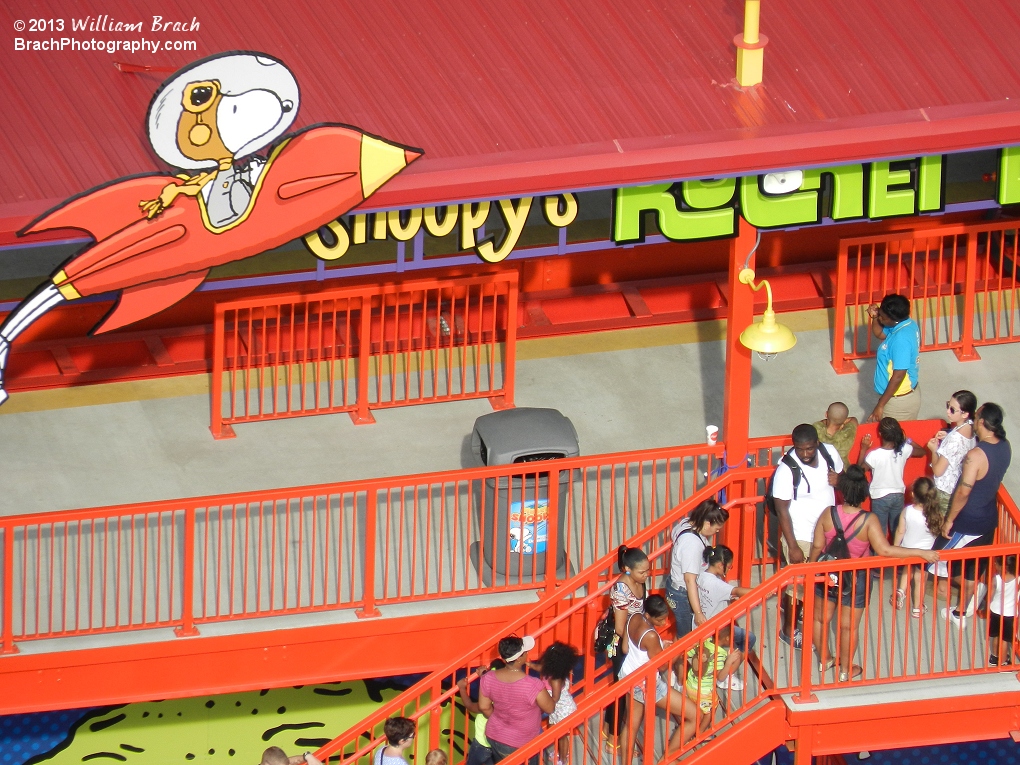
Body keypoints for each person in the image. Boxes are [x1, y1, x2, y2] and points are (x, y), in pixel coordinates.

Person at [809, 466, 939, 682]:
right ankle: (845, 670)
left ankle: (825, 660)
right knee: (848, 626)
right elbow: (885, 551)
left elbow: (817, 546)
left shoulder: (827, 513)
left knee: (821, 619)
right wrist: (920, 553)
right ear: (863, 493)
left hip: (826, 573)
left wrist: (810, 570)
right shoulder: (868, 520)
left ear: (842, 490)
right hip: (856, 576)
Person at [938, 403, 1012, 628]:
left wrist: (949, 519)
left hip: (968, 520)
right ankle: (961, 611)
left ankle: (965, 602)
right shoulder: (1005, 446)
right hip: (988, 518)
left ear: (981, 421)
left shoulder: (976, 454)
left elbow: (963, 491)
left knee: (935, 560)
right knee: (971, 567)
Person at [772, 423, 844, 648]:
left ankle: (800, 612)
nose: (804, 454)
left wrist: (839, 481)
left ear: (817, 444)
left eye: (809, 449)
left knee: (819, 581)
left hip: (827, 533)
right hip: (801, 535)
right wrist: (792, 545)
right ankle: (788, 629)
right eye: (800, 449)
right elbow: (782, 510)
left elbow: (845, 476)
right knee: (798, 585)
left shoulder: (829, 453)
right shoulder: (786, 470)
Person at [619, 595, 685, 765]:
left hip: (628, 674)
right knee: (694, 715)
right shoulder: (651, 636)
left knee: (631, 726)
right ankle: (666, 760)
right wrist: (677, 649)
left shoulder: (634, 616)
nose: (664, 624)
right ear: (648, 616)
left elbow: (626, 648)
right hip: (645, 683)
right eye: (661, 620)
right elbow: (662, 666)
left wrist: (659, 648)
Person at [478, 635, 554, 762]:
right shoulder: (532, 684)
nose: (527, 654)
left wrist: (501, 721)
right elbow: (550, 707)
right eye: (525, 652)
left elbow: (484, 706)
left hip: (495, 736)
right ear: (519, 658)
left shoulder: (488, 678)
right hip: (523, 743)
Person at [602, 545, 649, 749]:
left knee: (620, 686)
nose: (646, 575)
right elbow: (620, 628)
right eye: (642, 572)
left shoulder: (639, 581)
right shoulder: (621, 589)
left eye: (648, 570)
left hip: (632, 638)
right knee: (622, 689)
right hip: (622, 642)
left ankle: (607, 726)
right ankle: (614, 737)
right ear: (628, 569)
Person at [695, 545, 756, 691]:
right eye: (729, 567)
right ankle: (725, 676)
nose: (729, 570)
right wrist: (762, 591)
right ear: (720, 564)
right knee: (748, 639)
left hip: (702, 625)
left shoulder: (701, 575)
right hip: (716, 629)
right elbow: (737, 590)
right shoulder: (717, 584)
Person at [666, 499, 729, 638]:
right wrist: (698, 613)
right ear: (707, 524)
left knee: (683, 633)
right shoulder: (692, 545)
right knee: (686, 637)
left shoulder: (687, 523)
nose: (716, 532)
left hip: (675, 587)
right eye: (716, 529)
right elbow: (689, 580)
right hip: (682, 593)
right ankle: (679, 659)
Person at [857, 417, 925, 536]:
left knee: (879, 533)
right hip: (898, 495)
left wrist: (863, 448)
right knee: (897, 531)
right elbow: (922, 451)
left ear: (880, 434)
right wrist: (907, 439)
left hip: (880, 497)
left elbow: (858, 471)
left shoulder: (874, 455)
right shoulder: (903, 449)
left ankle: (878, 554)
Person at [677, 626, 740, 745]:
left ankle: (690, 726)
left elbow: (687, 653)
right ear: (727, 638)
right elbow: (720, 677)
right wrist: (729, 661)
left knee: (696, 707)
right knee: (710, 710)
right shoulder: (720, 654)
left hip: (690, 684)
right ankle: (699, 734)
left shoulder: (704, 642)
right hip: (704, 691)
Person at [891, 476, 943, 617]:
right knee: (920, 579)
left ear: (913, 494)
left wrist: (896, 547)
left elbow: (900, 530)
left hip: (907, 549)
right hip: (925, 554)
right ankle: (917, 607)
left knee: (907, 571)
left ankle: (900, 592)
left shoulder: (907, 511)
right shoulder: (935, 514)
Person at [866, 294, 920, 423]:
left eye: (882, 317)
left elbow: (898, 376)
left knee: (893, 440)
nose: (880, 318)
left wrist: (880, 405)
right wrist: (875, 317)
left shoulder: (901, 340)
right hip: (892, 397)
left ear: (893, 320)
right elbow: (879, 333)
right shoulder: (906, 324)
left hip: (898, 402)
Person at [926, 390, 977, 516]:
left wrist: (934, 450)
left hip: (944, 492)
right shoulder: (971, 427)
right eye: (948, 405)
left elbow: (938, 471)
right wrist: (948, 435)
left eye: (952, 409)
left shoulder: (954, 440)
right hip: (957, 487)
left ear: (965, 414)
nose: (948, 411)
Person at [536, 642, 579, 765]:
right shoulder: (550, 671)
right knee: (555, 732)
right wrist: (530, 665)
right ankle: (560, 753)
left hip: (563, 710)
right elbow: (540, 668)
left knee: (562, 736)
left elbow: (555, 698)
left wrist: (541, 707)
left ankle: (563, 760)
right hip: (556, 710)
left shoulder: (555, 679)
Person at [457, 660, 505, 765]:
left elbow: (469, 705)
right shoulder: (505, 700)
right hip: (498, 746)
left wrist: (462, 688)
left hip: (481, 745)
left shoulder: (486, 705)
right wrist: (483, 676)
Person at [988, 555, 1018, 666]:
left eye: (997, 563)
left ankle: (994, 657)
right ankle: (1003, 661)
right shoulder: (1018, 579)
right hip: (1009, 613)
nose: (995, 565)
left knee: (996, 635)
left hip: (995, 610)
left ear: (1003, 567)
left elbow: (990, 595)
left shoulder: (996, 579)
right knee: (1005, 639)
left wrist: (988, 605)